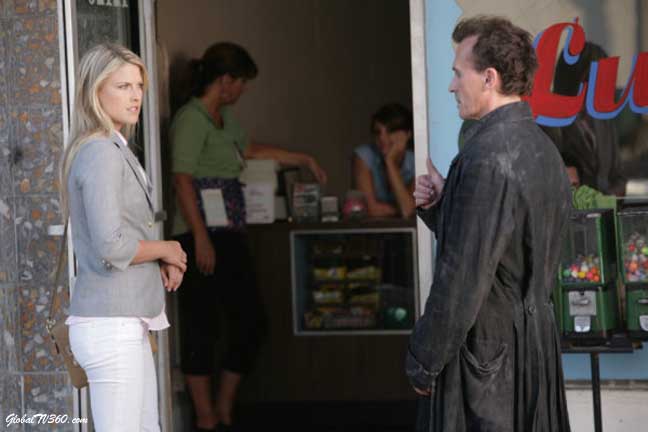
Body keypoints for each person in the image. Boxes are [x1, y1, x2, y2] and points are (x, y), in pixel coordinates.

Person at [406, 17, 572, 432]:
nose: (451, 86)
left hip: (489, 364)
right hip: (533, 352)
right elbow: (504, 249)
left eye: (458, 73)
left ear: (489, 77)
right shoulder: (543, 147)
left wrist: (423, 360)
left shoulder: (487, 157)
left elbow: (462, 278)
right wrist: (444, 204)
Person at [170, 42, 327, 432]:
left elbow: (251, 150)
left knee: (251, 322)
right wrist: (200, 237)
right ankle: (205, 416)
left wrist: (303, 158)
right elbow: (182, 180)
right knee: (202, 324)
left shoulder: (224, 119)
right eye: (242, 83)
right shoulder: (190, 119)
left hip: (230, 229)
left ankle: (224, 406)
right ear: (225, 80)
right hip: (198, 234)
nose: (242, 91)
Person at [60, 43, 187, 431]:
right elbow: (111, 245)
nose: (135, 96)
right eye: (123, 86)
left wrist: (157, 257)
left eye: (139, 86)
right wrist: (167, 247)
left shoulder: (114, 147)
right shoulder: (100, 152)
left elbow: (124, 235)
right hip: (110, 326)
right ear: (95, 90)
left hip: (124, 322)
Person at [548, 42, 627, 196]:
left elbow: (619, 176)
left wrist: (605, 199)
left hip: (605, 208)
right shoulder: (548, 121)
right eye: (595, 78)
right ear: (574, 77)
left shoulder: (603, 119)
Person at [353, 103, 416, 218]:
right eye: (378, 132)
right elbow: (370, 209)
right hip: (373, 228)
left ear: (407, 134)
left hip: (407, 229)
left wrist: (390, 162)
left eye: (390, 131)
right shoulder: (364, 156)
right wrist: (399, 209)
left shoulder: (416, 162)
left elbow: (408, 211)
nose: (382, 138)